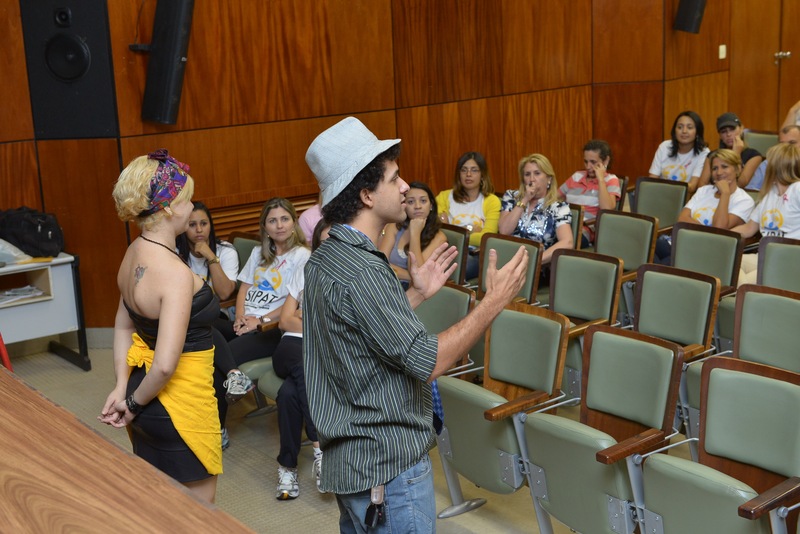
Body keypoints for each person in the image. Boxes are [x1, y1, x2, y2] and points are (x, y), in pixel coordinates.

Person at [303, 116, 527, 533]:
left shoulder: (327, 259)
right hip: (388, 470)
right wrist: (493, 302)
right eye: (394, 178)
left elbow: (363, 332)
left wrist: (417, 294)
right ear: (367, 194)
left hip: (354, 465)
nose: (406, 186)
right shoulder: (364, 271)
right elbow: (429, 362)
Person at [99, 149, 221, 504]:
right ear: (168, 208)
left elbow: (123, 328)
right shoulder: (175, 274)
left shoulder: (132, 253)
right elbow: (166, 365)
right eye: (187, 199)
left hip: (142, 394)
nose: (192, 205)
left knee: (160, 508)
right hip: (180, 405)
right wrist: (132, 403)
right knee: (198, 519)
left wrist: (123, 388)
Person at [176, 201, 252, 450]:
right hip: (185, 323)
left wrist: (210, 257)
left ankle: (218, 427)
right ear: (183, 227)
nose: (199, 230)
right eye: (192, 224)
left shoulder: (225, 251)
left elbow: (225, 292)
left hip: (219, 320)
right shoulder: (175, 254)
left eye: (204, 224)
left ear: (211, 225)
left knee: (208, 335)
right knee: (212, 354)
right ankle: (234, 375)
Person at [274, 220, 330, 500]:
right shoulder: (306, 270)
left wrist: (302, 316)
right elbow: (284, 321)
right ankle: (320, 449)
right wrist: (316, 324)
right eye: (325, 242)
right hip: (291, 347)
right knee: (306, 370)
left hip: (321, 353)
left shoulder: (354, 276)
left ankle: (287, 466)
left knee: (288, 394)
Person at [220, 198, 310, 367]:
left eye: (285, 219)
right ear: (264, 227)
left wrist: (261, 320)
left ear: (294, 222)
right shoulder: (258, 252)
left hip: (271, 327)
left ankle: (233, 381)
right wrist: (239, 317)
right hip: (246, 320)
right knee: (207, 333)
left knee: (226, 353)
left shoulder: (302, 255)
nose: (279, 226)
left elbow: (293, 302)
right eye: (272, 221)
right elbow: (244, 288)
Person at [654, 149, 755, 264]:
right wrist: (708, 231)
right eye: (715, 168)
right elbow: (682, 219)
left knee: (664, 263)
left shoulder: (744, 200)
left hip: (705, 251)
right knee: (648, 249)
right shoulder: (703, 191)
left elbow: (719, 229)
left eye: (724, 167)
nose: (719, 172)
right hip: (680, 242)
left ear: (737, 169)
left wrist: (725, 194)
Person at [732, 143, 800, 285]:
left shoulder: (797, 189)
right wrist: (721, 236)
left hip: (789, 259)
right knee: (726, 263)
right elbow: (749, 228)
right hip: (765, 257)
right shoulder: (770, 192)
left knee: (743, 283)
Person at [435, 151, 501, 279]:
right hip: (445, 250)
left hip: (474, 253)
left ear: (482, 175)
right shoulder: (444, 197)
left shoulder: (491, 201)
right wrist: (470, 229)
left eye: (474, 170)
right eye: (464, 170)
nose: (468, 174)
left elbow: (487, 238)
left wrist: (454, 233)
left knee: (457, 267)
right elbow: (438, 231)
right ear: (458, 174)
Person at [499, 153, 573, 265]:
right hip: (507, 260)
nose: (532, 179)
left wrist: (535, 262)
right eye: (527, 174)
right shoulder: (511, 197)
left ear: (549, 179)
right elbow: (504, 231)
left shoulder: (558, 207)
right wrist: (525, 199)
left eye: (537, 173)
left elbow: (567, 242)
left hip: (538, 265)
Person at [379, 181, 447, 287]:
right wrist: (410, 276)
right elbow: (380, 263)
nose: (417, 206)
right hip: (385, 282)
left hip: (414, 289)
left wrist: (415, 233)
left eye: (423, 201)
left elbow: (418, 272)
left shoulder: (439, 237)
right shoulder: (394, 226)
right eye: (411, 202)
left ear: (431, 205)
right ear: (404, 205)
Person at [557, 140, 621, 247]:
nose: (588, 166)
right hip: (564, 225)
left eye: (593, 162)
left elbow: (607, 208)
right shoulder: (576, 176)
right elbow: (554, 197)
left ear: (606, 161)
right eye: (586, 162)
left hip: (585, 230)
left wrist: (601, 179)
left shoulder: (611, 180)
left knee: (559, 242)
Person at [649, 111, 710, 195]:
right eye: (680, 127)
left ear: (697, 132)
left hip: (684, 197)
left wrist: (665, 188)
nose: (684, 131)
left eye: (689, 127)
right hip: (660, 194)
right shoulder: (664, 147)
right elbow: (652, 179)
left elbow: (692, 186)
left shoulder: (703, 152)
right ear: (675, 131)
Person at [697, 112, 763, 189]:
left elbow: (740, 184)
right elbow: (701, 186)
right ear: (720, 136)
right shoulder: (713, 155)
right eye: (723, 131)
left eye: (732, 129)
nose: (728, 134)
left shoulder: (754, 155)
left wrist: (736, 154)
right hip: (714, 194)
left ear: (741, 129)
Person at [748, 125, 800, 191]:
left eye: (792, 143)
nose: (786, 147)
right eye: (782, 144)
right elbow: (752, 190)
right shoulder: (768, 164)